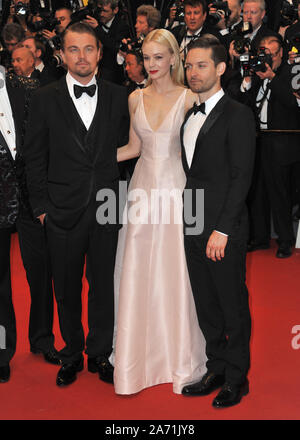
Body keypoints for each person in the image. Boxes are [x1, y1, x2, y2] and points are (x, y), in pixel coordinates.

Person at [23, 22, 130, 387]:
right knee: (66, 288)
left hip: (106, 205)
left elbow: (129, 150)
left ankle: (100, 352)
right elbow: (34, 157)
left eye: (88, 49)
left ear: (100, 53)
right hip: (60, 209)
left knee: (103, 285)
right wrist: (40, 207)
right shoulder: (44, 97)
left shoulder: (119, 96)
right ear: (61, 54)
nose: (81, 57)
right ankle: (71, 353)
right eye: (73, 49)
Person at [113, 28, 207, 395]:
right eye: (146, 57)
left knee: (175, 273)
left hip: (175, 191)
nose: (151, 65)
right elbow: (134, 147)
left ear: (173, 58)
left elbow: (197, 154)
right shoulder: (134, 98)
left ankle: (178, 358)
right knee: (136, 271)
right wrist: (89, 161)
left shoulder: (188, 99)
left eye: (158, 57)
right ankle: (135, 364)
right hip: (140, 191)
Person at [181, 37, 256, 408]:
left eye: (202, 66)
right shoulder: (188, 115)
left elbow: (242, 177)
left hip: (223, 231)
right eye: (190, 66)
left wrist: (223, 229)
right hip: (192, 224)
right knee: (205, 304)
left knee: (231, 305)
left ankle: (237, 378)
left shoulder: (239, 115)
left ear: (221, 68)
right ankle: (216, 367)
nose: (194, 73)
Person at [0, 68, 59, 383]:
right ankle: (1, 351)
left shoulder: (28, 87)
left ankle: (43, 339)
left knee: (41, 271)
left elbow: (42, 144)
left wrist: (44, 198)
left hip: (31, 197)